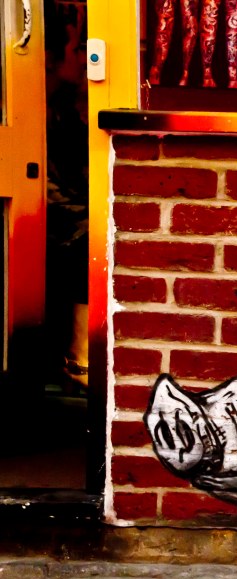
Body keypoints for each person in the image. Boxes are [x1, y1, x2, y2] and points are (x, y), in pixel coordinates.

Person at [45, 0, 89, 391]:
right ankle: (79, 358)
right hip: (46, 209)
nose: (83, 58)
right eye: (76, 49)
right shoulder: (34, 110)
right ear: (48, 57)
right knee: (87, 237)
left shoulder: (64, 104)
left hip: (63, 203)